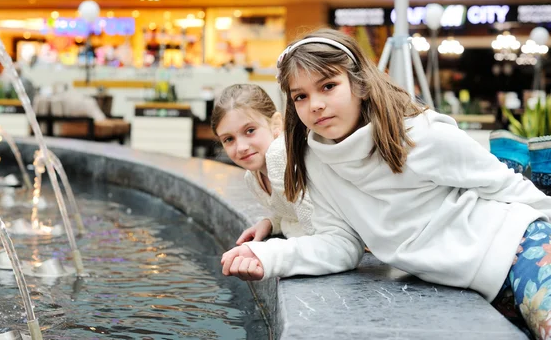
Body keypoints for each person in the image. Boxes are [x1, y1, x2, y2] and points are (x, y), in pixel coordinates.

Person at [220, 28, 551, 338]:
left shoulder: (417, 135)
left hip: (520, 247)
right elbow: (340, 246)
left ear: (360, 85)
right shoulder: (314, 161)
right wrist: (268, 256)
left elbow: (505, 186)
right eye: (301, 96)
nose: (315, 104)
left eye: (328, 86)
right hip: (474, 283)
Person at [210, 84, 314, 244]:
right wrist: (271, 223)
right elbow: (291, 210)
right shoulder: (253, 178)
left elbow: (315, 228)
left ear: (276, 124)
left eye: (250, 130)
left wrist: (270, 252)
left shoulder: (279, 155)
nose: (241, 147)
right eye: (229, 139)